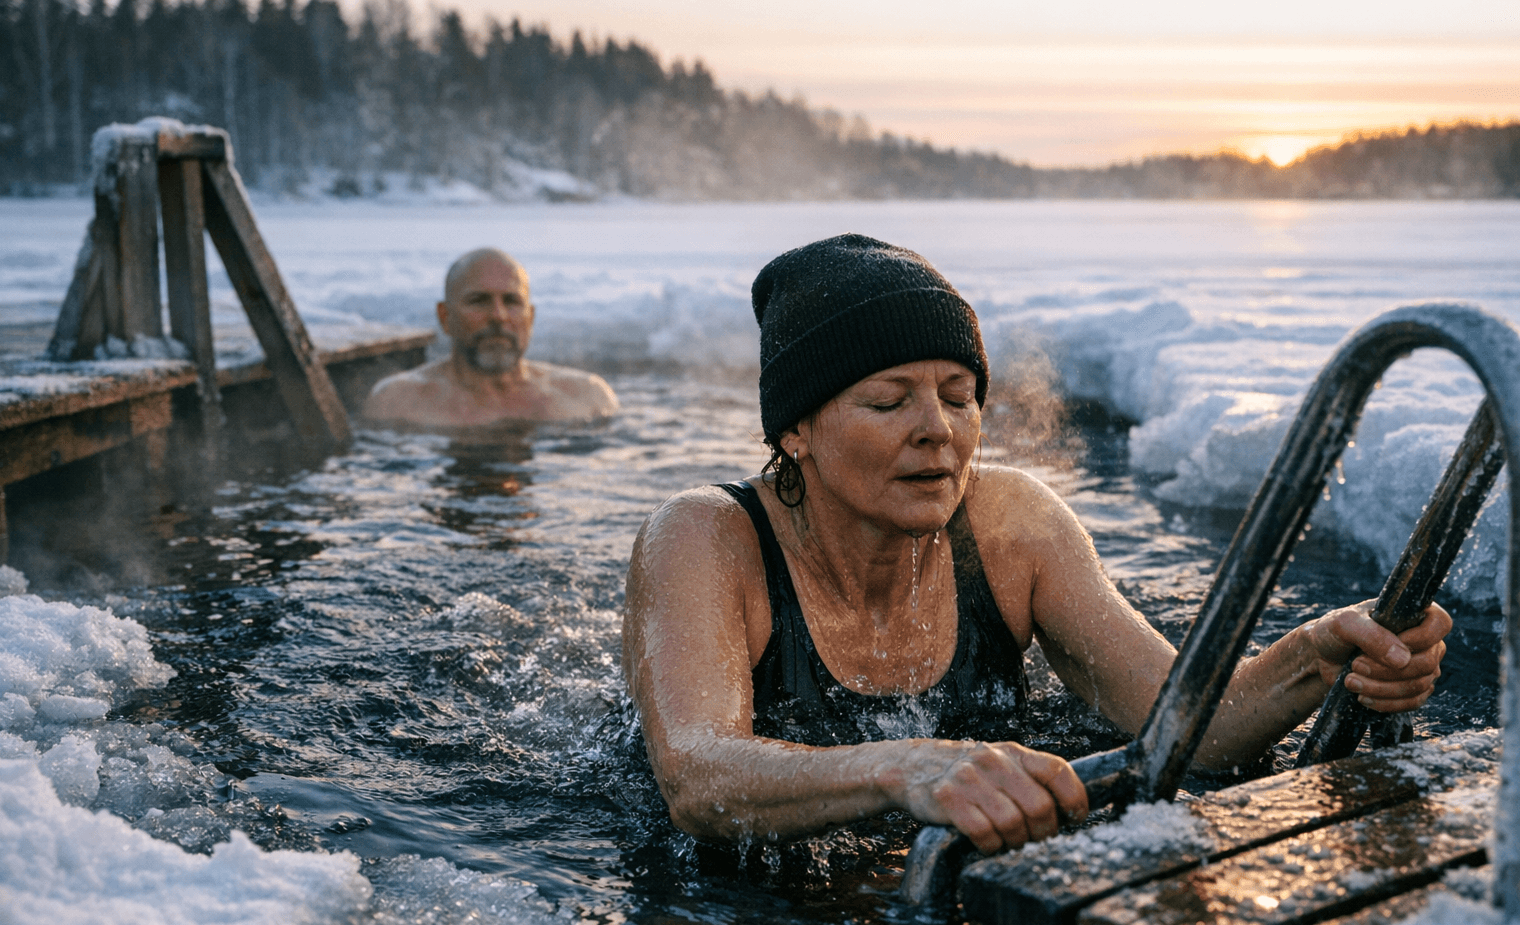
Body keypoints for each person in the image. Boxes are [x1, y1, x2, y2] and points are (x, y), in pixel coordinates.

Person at [622, 233, 1448, 856]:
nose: (937, 431)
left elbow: (1192, 724)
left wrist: (1318, 655)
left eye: (958, 395)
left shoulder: (1010, 525)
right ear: (796, 429)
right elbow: (699, 779)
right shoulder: (705, 536)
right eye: (887, 401)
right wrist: (909, 768)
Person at [362, 248, 619, 427]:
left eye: (511, 301)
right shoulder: (399, 402)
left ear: (530, 318)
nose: (498, 316)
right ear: (445, 316)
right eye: (478, 301)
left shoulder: (587, 397)